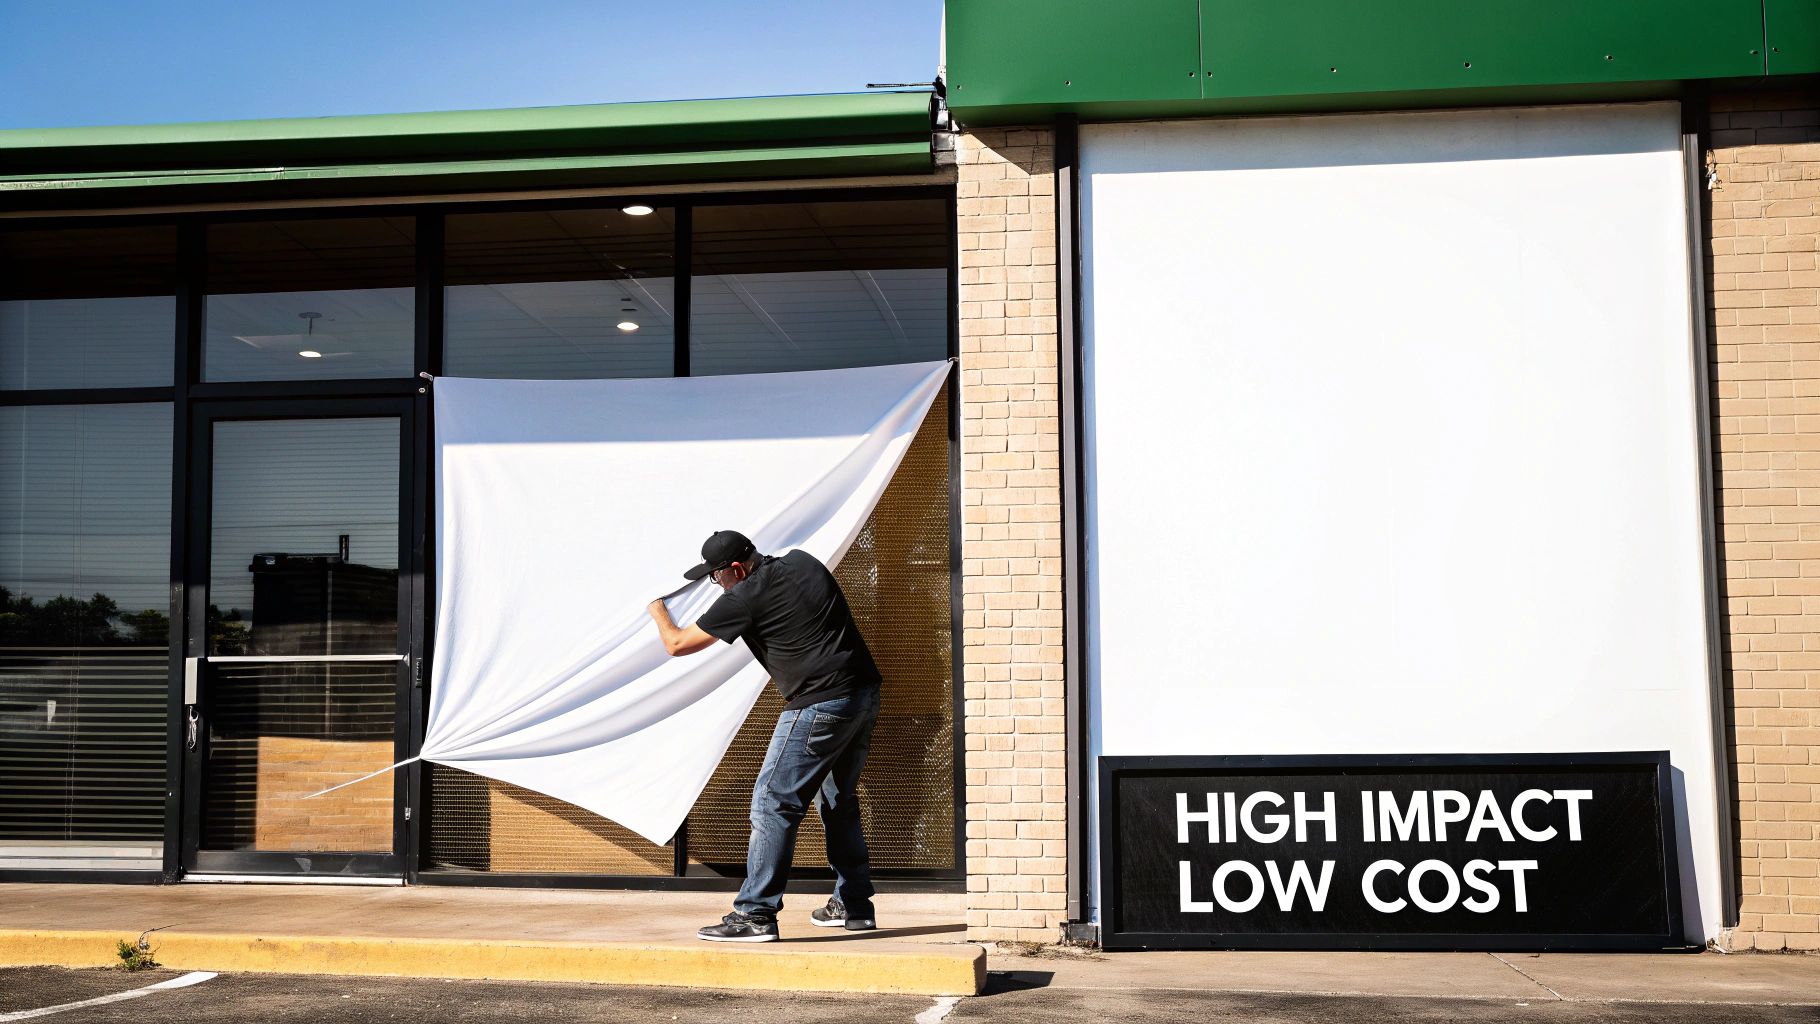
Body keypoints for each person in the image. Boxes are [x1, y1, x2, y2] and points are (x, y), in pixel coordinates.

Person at [646, 529, 882, 942]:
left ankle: (756, 914)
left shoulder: (745, 596)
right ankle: (854, 904)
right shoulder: (804, 561)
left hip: (818, 705)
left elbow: (677, 643)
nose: (717, 586)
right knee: (838, 801)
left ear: (736, 568)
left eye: (717, 578)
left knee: (773, 804)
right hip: (861, 695)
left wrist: (656, 609)